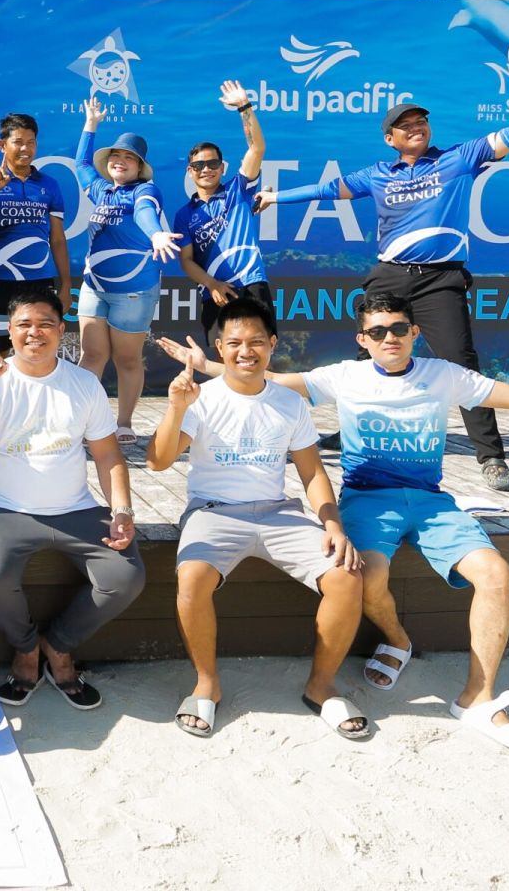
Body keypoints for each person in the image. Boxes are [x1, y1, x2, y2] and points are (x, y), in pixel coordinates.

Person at [177, 293, 509, 754]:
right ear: (362, 339)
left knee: (496, 573)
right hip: (367, 500)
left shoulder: (444, 374)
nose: (389, 337)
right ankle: (398, 640)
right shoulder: (345, 376)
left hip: (431, 502)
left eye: (399, 328)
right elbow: (262, 375)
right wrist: (207, 367)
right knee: (367, 574)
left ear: (415, 332)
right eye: (377, 331)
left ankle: (478, 698)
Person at [254, 42, 509, 491]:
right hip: (389, 275)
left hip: (440, 280)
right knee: (366, 358)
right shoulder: (377, 175)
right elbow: (325, 190)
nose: (415, 127)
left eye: (420, 121)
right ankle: (351, 429)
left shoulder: (459, 158)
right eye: (405, 125)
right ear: (390, 139)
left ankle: (491, 457)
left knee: (463, 365)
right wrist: (275, 197)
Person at [148, 298, 367, 741]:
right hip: (212, 512)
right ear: (219, 347)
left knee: (346, 575)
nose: (245, 351)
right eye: (234, 343)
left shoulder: (289, 402)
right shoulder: (200, 398)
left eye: (255, 342)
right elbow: (157, 461)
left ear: (272, 345)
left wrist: (333, 524)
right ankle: (206, 684)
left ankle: (321, 686)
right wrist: (176, 408)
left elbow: (312, 473)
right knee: (192, 576)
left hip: (278, 512)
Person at [0, 289, 143, 710]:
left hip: (76, 508)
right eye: (24, 325)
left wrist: (122, 509)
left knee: (125, 577)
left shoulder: (83, 383)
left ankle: (59, 645)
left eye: (45, 324)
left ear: (61, 330)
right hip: (5, 509)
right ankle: (27, 648)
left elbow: (108, 455)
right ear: (10, 331)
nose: (34, 333)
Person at [70, 97, 178, 442]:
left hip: (134, 291)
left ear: (140, 166)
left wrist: (156, 233)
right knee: (92, 355)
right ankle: (82, 423)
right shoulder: (101, 190)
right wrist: (90, 125)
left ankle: (124, 423)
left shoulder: (146, 191)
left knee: (127, 359)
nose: (120, 160)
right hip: (94, 286)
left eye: (128, 157)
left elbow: (145, 212)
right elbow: (81, 163)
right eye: (115, 155)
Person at [173, 81, 270, 349]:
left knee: (259, 354)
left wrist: (244, 107)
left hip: (251, 284)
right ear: (190, 172)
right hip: (214, 293)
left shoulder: (238, 190)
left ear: (223, 168)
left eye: (213, 163)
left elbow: (257, 149)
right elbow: (186, 261)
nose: (206, 169)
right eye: (199, 165)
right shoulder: (184, 215)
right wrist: (212, 284)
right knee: (222, 357)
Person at [0, 114, 70, 351]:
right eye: (18, 142)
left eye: (31, 143)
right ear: (2, 145)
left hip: (39, 281)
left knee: (37, 348)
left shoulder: (49, 184)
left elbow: (58, 239)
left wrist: (66, 285)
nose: (25, 149)